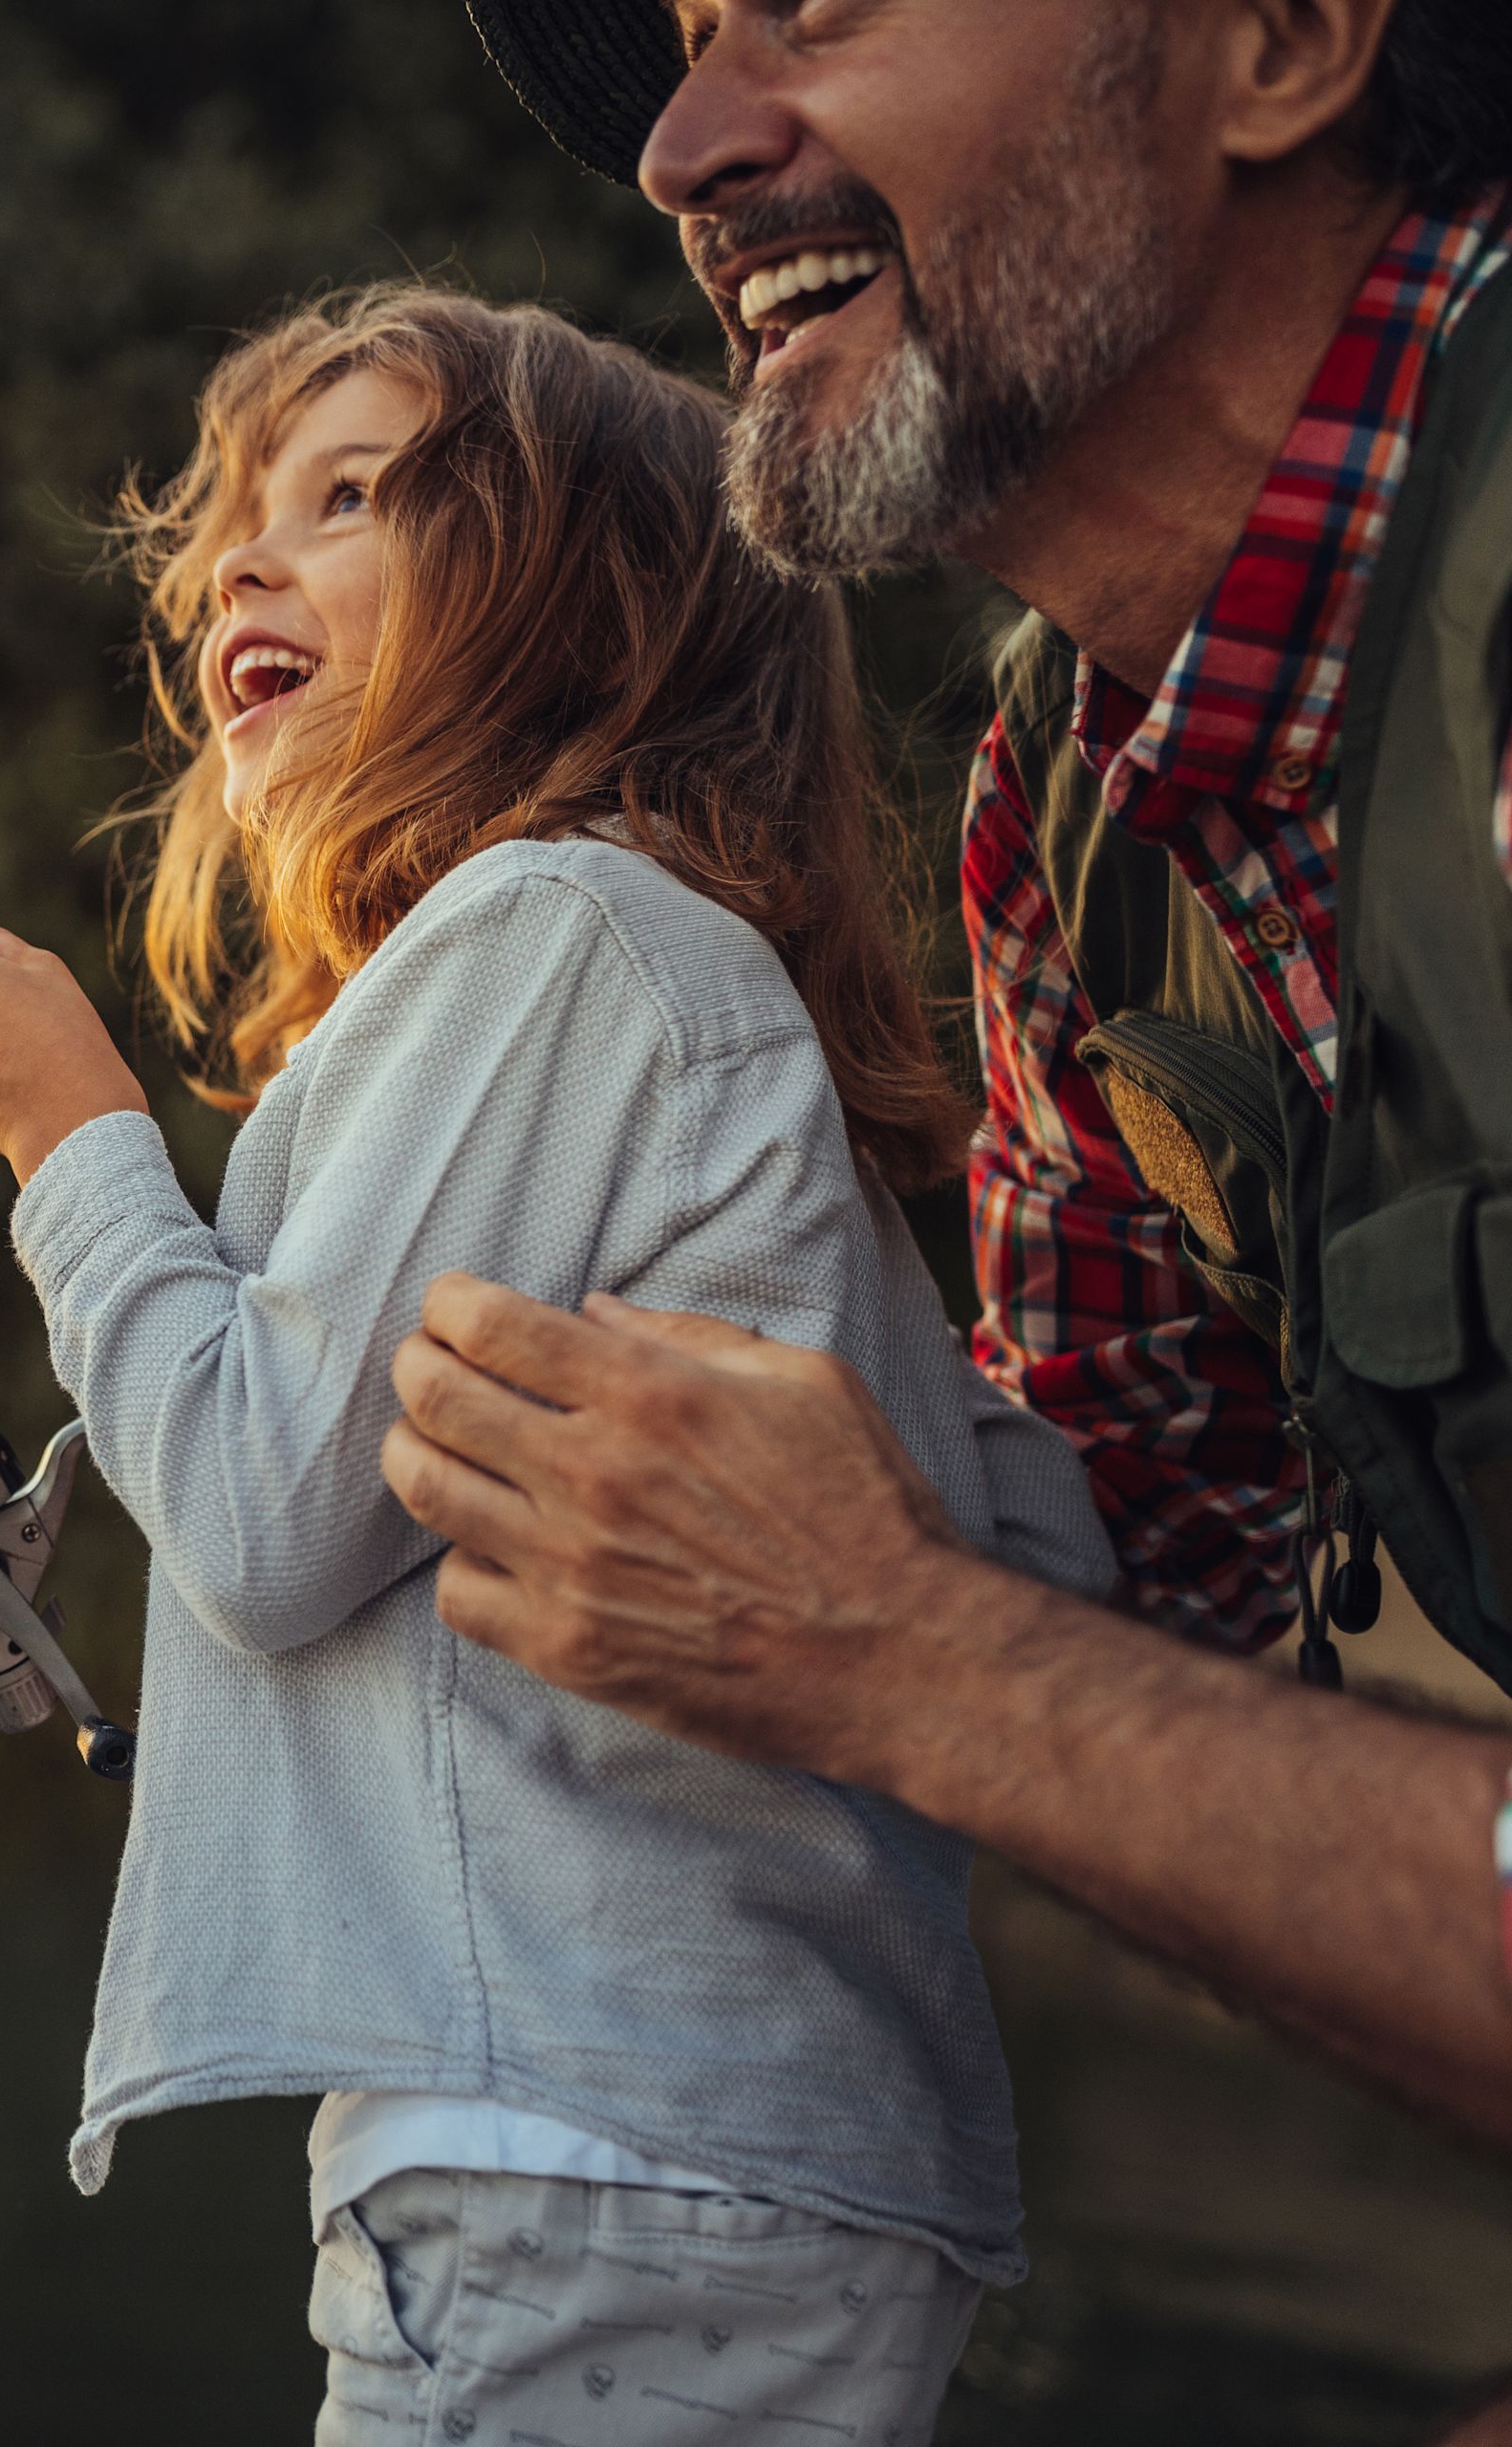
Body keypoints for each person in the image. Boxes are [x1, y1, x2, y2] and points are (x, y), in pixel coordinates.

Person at [0, 284, 1110, 2447]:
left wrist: (69, 1136)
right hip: (706, 2160)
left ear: (592, 614)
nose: (245, 557)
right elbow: (1039, 1543)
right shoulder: (640, 991)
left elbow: (258, 1510)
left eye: (352, 497)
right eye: (244, 517)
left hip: (586, 2164)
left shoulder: (557, 936)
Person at [392, 0, 1512, 2193]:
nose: (686, 146)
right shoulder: (1057, 834)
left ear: (1277, 46)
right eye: (693, 35)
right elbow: (1110, 1612)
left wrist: (899, 1651)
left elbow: (976, 1656)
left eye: (812, 7)